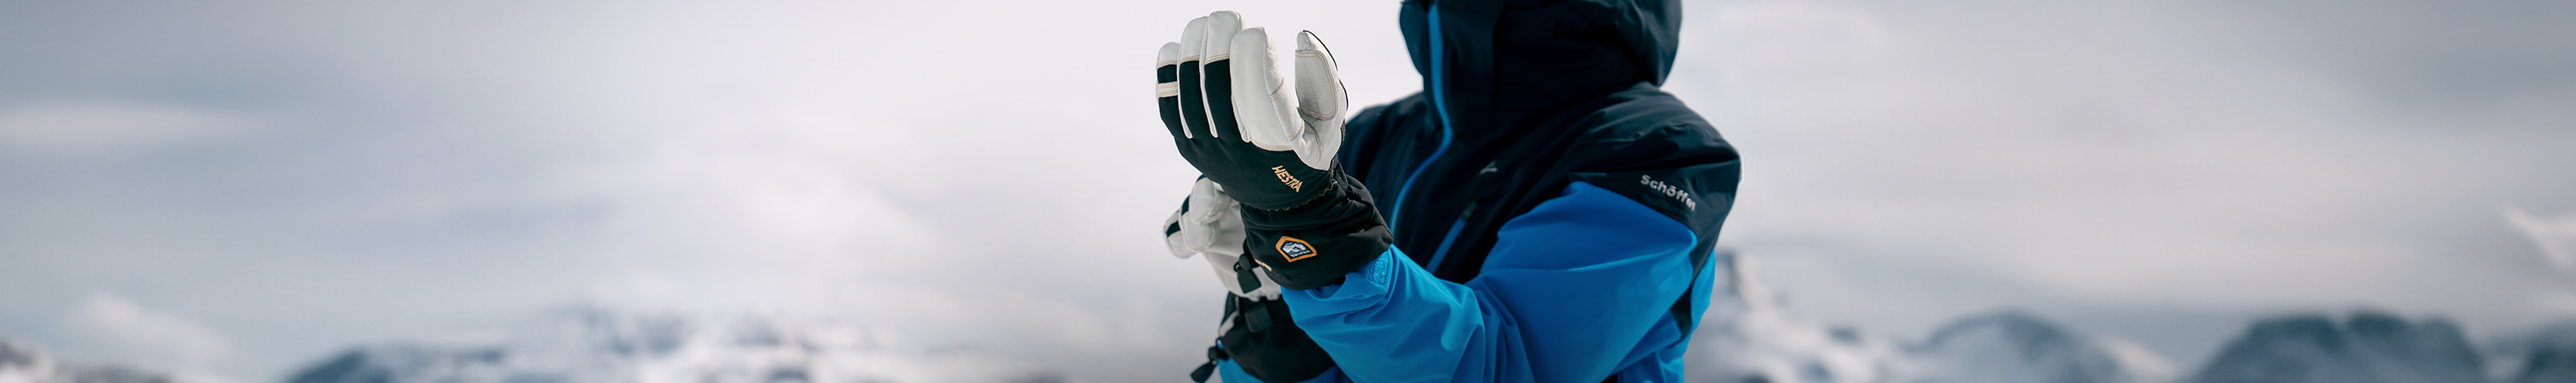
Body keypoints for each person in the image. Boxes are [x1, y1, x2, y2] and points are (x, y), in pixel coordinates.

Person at [1155, 1, 1738, 381]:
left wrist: (1315, 231)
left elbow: (1505, 366)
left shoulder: (1661, 156)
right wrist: (1269, 317)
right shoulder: (1380, 133)